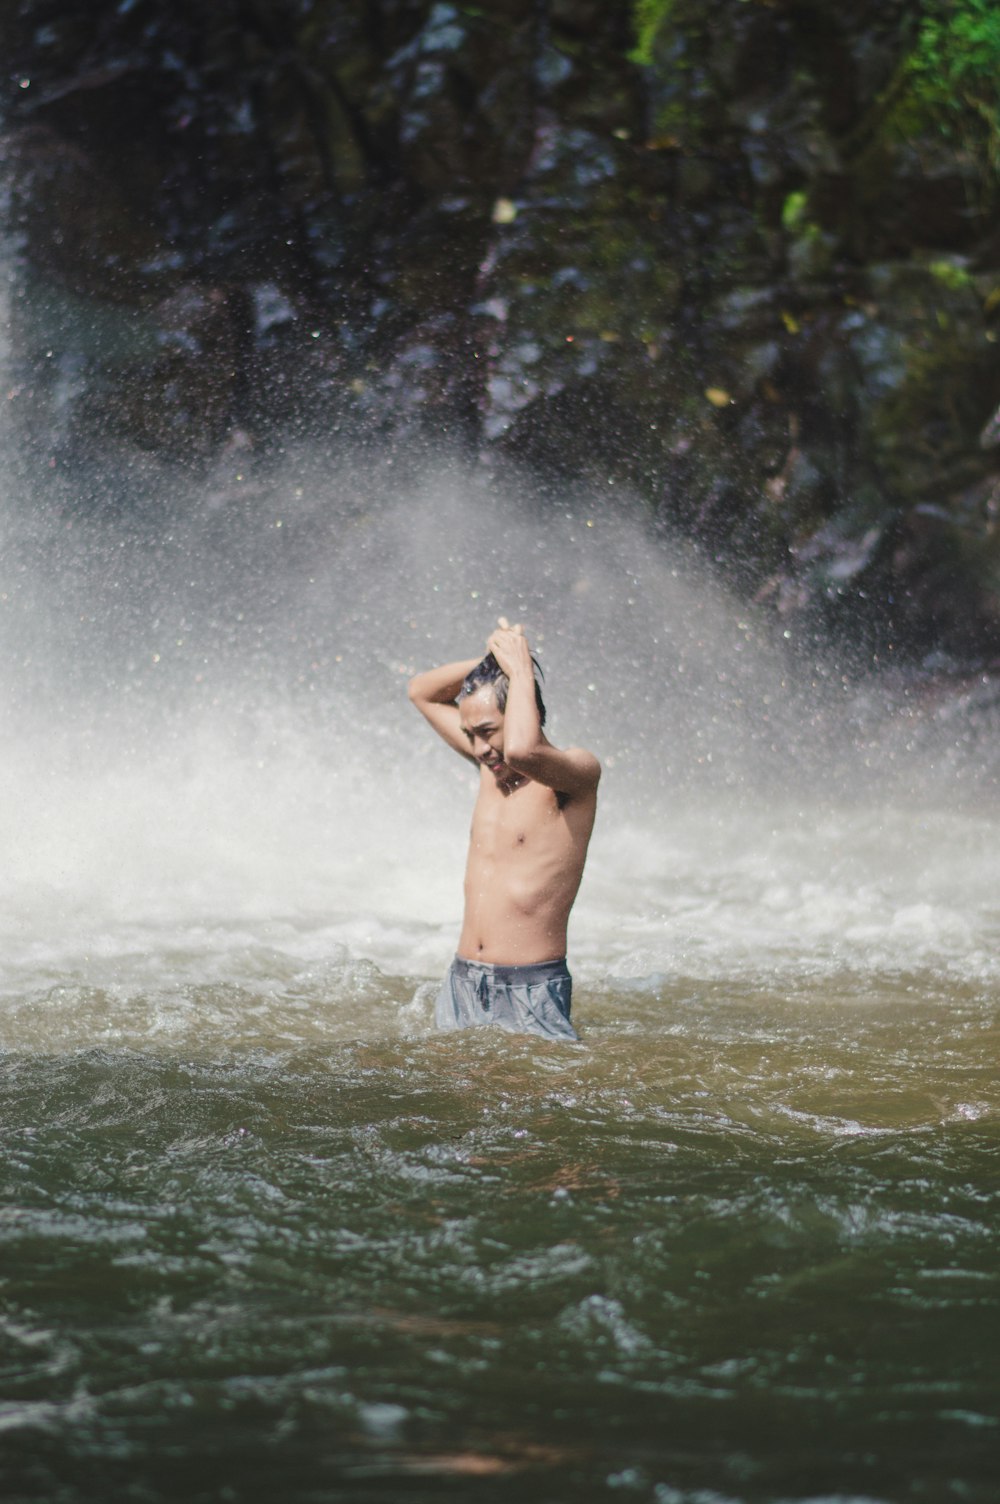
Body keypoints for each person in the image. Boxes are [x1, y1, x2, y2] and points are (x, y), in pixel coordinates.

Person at [408, 619, 601, 1040]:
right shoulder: (489, 769)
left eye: (487, 732)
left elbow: (522, 748)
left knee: (528, 1105)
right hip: (462, 981)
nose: (479, 748)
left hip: (529, 987)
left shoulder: (574, 776)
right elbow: (420, 691)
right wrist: (497, 657)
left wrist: (520, 670)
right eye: (469, 735)